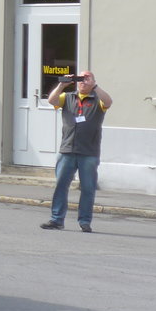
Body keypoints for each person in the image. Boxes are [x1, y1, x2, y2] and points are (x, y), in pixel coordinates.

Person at [41, 70, 113, 232]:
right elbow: (51, 100)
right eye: (80, 79)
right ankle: (56, 219)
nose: (83, 82)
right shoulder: (67, 97)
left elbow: (109, 102)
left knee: (88, 188)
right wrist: (61, 85)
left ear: (93, 81)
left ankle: (85, 221)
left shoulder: (97, 99)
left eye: (87, 79)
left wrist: (95, 87)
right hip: (67, 150)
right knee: (61, 186)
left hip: (89, 152)